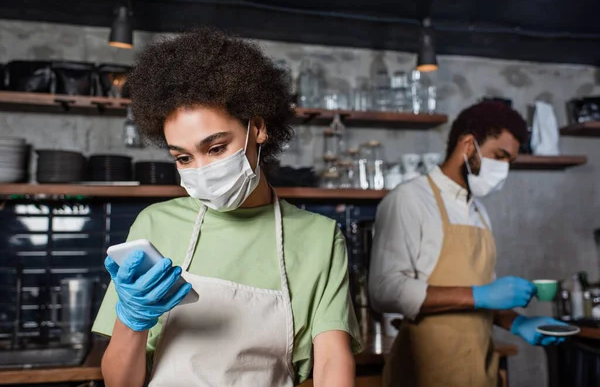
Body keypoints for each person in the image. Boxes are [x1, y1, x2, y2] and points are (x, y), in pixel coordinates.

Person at [92, 27, 361, 387]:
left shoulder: (319, 238)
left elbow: (331, 364)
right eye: (184, 157)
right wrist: (131, 319)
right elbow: (119, 383)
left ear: (259, 129)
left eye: (216, 148)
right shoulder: (155, 225)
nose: (202, 170)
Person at [368, 101, 567, 387]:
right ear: (468, 145)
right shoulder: (409, 199)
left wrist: (518, 323)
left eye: (509, 162)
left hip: (478, 372)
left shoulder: (479, 211)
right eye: (499, 156)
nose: (503, 171)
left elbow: (487, 294)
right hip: (426, 373)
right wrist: (479, 295)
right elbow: (384, 292)